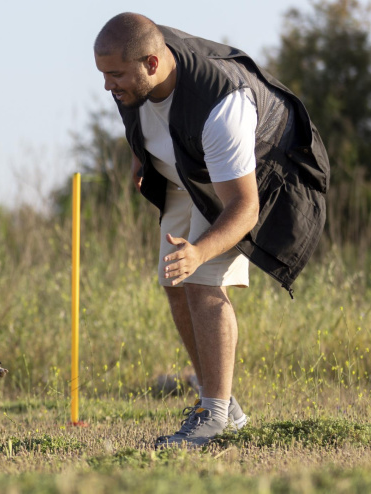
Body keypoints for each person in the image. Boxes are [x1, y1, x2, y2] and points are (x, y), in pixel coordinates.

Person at [94, 13, 328, 447]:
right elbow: (143, 113)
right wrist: (142, 157)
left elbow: (244, 208)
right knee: (174, 279)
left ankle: (214, 417)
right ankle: (221, 406)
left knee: (201, 278)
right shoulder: (134, 67)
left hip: (247, 175)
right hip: (189, 167)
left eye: (115, 75)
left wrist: (200, 251)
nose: (107, 85)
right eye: (102, 74)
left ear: (152, 63)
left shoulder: (222, 107)